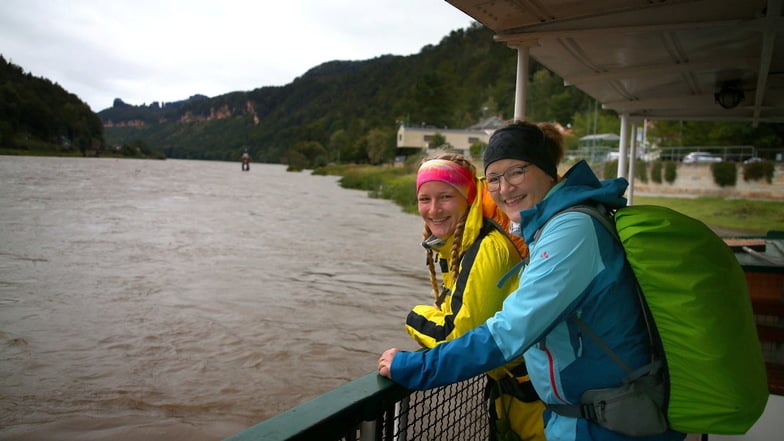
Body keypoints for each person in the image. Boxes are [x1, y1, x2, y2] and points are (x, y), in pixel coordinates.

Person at [379, 121, 686, 441]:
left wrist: (415, 367)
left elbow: (509, 332)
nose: (505, 187)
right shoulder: (549, 228)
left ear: (547, 171)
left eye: (517, 172)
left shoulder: (571, 231)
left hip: (608, 426)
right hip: (586, 417)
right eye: (494, 178)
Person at [407, 153, 545, 441]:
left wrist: (413, 316)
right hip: (518, 396)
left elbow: (454, 337)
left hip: (539, 406)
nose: (433, 209)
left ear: (468, 198)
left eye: (445, 197)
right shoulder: (465, 245)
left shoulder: (485, 248)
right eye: (425, 199)